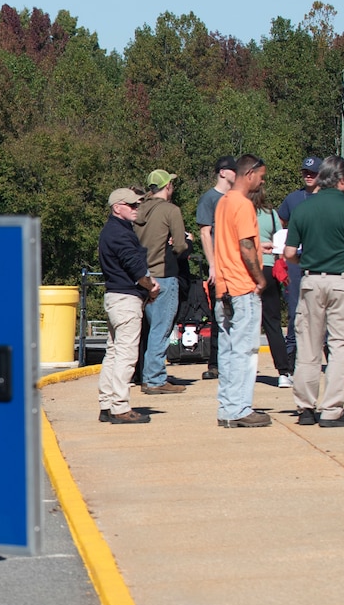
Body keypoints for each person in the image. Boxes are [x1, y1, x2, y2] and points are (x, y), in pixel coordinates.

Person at [283, 154, 344, 426]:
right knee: (339, 346)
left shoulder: (302, 209)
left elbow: (289, 252)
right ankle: (332, 409)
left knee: (308, 347)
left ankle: (305, 407)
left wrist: (306, 262)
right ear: (342, 180)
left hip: (312, 281)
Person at [211, 156, 271, 428]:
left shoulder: (222, 202)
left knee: (227, 350)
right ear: (249, 174)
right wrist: (259, 278)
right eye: (260, 176)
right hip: (242, 286)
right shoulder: (244, 205)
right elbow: (246, 245)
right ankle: (239, 409)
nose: (262, 181)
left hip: (223, 287)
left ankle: (227, 407)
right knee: (245, 352)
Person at [97, 188, 162, 424]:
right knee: (126, 354)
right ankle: (120, 407)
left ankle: (107, 403)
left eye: (138, 205)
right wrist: (151, 287)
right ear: (117, 207)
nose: (137, 209)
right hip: (126, 300)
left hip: (114, 298)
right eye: (132, 205)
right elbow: (135, 266)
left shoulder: (110, 231)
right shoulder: (120, 234)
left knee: (113, 353)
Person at [134, 169, 190, 395]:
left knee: (147, 330)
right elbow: (180, 247)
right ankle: (155, 378)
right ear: (167, 186)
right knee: (161, 329)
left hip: (141, 276)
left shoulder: (138, 210)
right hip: (164, 275)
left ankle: (145, 375)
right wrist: (185, 242)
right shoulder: (171, 210)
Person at [276, 155, 323, 374]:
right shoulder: (294, 199)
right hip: (296, 259)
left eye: (313, 172)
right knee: (295, 309)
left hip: (321, 259)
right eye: (305, 172)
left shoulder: (327, 198)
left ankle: (328, 357)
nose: (308, 175)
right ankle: (290, 358)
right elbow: (280, 222)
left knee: (323, 309)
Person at [195, 156, 238, 380]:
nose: (237, 174)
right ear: (222, 172)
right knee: (218, 315)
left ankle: (231, 361)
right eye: (233, 170)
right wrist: (212, 265)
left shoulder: (237, 198)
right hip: (219, 266)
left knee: (234, 316)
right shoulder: (209, 199)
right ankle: (215, 364)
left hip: (236, 267)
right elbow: (204, 233)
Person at [256, 190, 292, 386]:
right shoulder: (271, 213)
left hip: (248, 269)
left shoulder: (242, 211)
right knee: (273, 322)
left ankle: (244, 369)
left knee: (248, 324)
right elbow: (281, 241)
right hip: (269, 268)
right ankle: (283, 371)